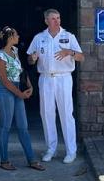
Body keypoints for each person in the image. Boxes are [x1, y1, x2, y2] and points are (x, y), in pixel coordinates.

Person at [27, 9, 85, 164]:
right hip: (45, 79)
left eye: (58, 18)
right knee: (47, 115)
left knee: (66, 114)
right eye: (53, 19)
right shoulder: (39, 38)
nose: (57, 21)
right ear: (46, 21)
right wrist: (32, 59)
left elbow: (81, 57)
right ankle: (50, 149)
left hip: (63, 78)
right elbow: (30, 59)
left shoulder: (68, 36)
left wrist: (69, 52)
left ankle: (71, 151)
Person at [0, 27, 45, 171]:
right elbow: (4, 80)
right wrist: (20, 94)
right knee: (5, 126)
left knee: (23, 126)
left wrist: (30, 86)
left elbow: (21, 71)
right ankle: (4, 160)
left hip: (15, 89)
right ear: (9, 37)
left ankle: (31, 159)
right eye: (16, 34)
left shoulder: (14, 51)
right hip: (3, 90)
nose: (19, 36)